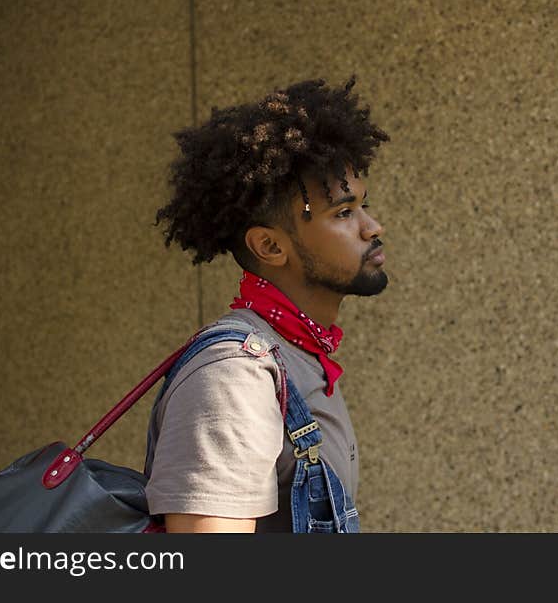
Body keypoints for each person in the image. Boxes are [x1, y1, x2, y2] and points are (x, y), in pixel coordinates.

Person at [146, 75, 390, 532]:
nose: (372, 226)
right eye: (343, 212)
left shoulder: (294, 356)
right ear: (270, 247)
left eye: (364, 205)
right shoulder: (234, 376)